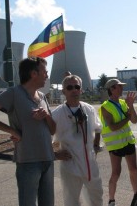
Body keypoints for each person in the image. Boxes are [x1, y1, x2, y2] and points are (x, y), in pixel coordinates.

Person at [0, 57, 56, 206]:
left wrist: (46, 116)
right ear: (33, 74)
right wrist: (11, 130)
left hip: (48, 160)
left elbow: (52, 130)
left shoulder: (43, 97)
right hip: (28, 163)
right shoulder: (13, 93)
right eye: (44, 71)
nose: (47, 75)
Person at [52, 74, 103, 206]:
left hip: (90, 164)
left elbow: (98, 128)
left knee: (97, 197)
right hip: (70, 165)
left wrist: (96, 145)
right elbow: (44, 137)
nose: (74, 90)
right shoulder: (57, 114)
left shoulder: (89, 109)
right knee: (71, 201)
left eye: (77, 86)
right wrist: (55, 155)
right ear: (63, 91)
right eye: (69, 87)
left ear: (81, 90)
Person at [99, 79, 137, 206]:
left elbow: (134, 120)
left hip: (128, 141)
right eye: (119, 87)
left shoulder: (123, 103)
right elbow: (113, 127)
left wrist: (131, 105)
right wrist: (127, 116)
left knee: (134, 169)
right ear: (112, 89)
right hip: (115, 144)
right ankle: (111, 200)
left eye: (122, 86)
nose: (122, 89)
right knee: (116, 172)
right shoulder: (105, 106)